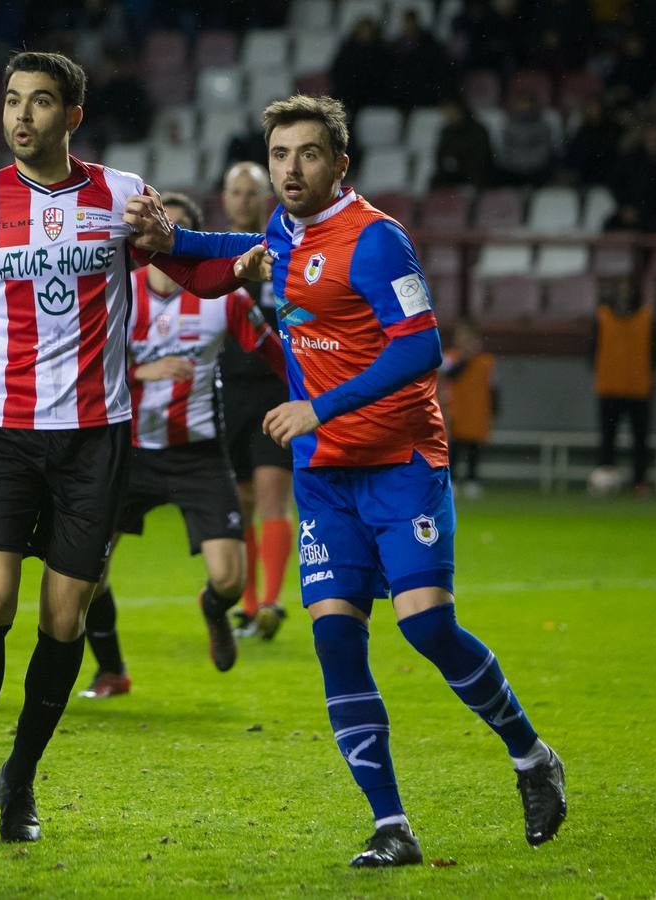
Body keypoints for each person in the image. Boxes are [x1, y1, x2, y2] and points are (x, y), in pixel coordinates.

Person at [123, 95, 566, 867]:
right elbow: (214, 266)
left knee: (427, 626)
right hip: (326, 478)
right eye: (280, 155)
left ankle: (532, 757)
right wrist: (168, 241)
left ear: (340, 164)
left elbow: (419, 351)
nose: (291, 169)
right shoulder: (280, 236)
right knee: (336, 638)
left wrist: (318, 405)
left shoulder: (377, 240)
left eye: (308, 154)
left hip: (400, 462)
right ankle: (391, 824)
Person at [0, 50, 258, 845]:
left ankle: (19, 780)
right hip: (4, 433)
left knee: (64, 620)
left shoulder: (123, 195)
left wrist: (239, 268)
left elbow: (189, 274)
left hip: (96, 444)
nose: (21, 116)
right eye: (11, 101)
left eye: (39, 103)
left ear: (72, 116)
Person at [80, 192, 285, 699]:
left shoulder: (226, 300)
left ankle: (213, 610)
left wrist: (322, 401)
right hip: (126, 453)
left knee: (230, 581)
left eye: (174, 232)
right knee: (86, 575)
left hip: (197, 455)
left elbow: (275, 354)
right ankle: (111, 671)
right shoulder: (116, 294)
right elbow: (80, 369)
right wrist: (140, 370)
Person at [213, 161, 295, 640]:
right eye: (235, 192)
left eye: (251, 193)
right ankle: (246, 606)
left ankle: (270, 601)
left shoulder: (281, 255)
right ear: (224, 199)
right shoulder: (216, 258)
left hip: (273, 390)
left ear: (265, 200)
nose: (243, 200)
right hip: (225, 391)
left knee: (271, 495)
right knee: (240, 501)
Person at [589, 277, 656, 496]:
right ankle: (606, 481)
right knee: (608, 437)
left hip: (639, 390)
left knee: (640, 440)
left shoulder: (647, 319)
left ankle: (640, 482)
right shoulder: (602, 318)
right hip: (610, 388)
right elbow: (592, 352)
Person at [440, 319, 497, 499]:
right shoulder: (449, 357)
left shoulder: (487, 362)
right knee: (455, 447)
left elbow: (494, 388)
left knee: (474, 447)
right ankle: (453, 481)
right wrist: (465, 358)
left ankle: (473, 481)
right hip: (456, 409)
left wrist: (494, 413)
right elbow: (448, 375)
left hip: (478, 410)